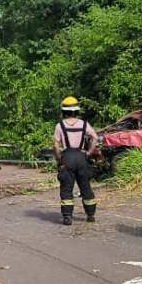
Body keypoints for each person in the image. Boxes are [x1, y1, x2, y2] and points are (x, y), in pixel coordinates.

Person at [53, 96, 98, 226]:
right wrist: (89, 152)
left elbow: (56, 145)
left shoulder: (60, 126)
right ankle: (90, 215)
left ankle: (67, 216)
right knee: (85, 187)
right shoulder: (84, 124)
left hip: (67, 157)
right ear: (76, 110)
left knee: (67, 188)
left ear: (63, 111)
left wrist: (58, 159)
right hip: (81, 157)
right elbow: (95, 137)